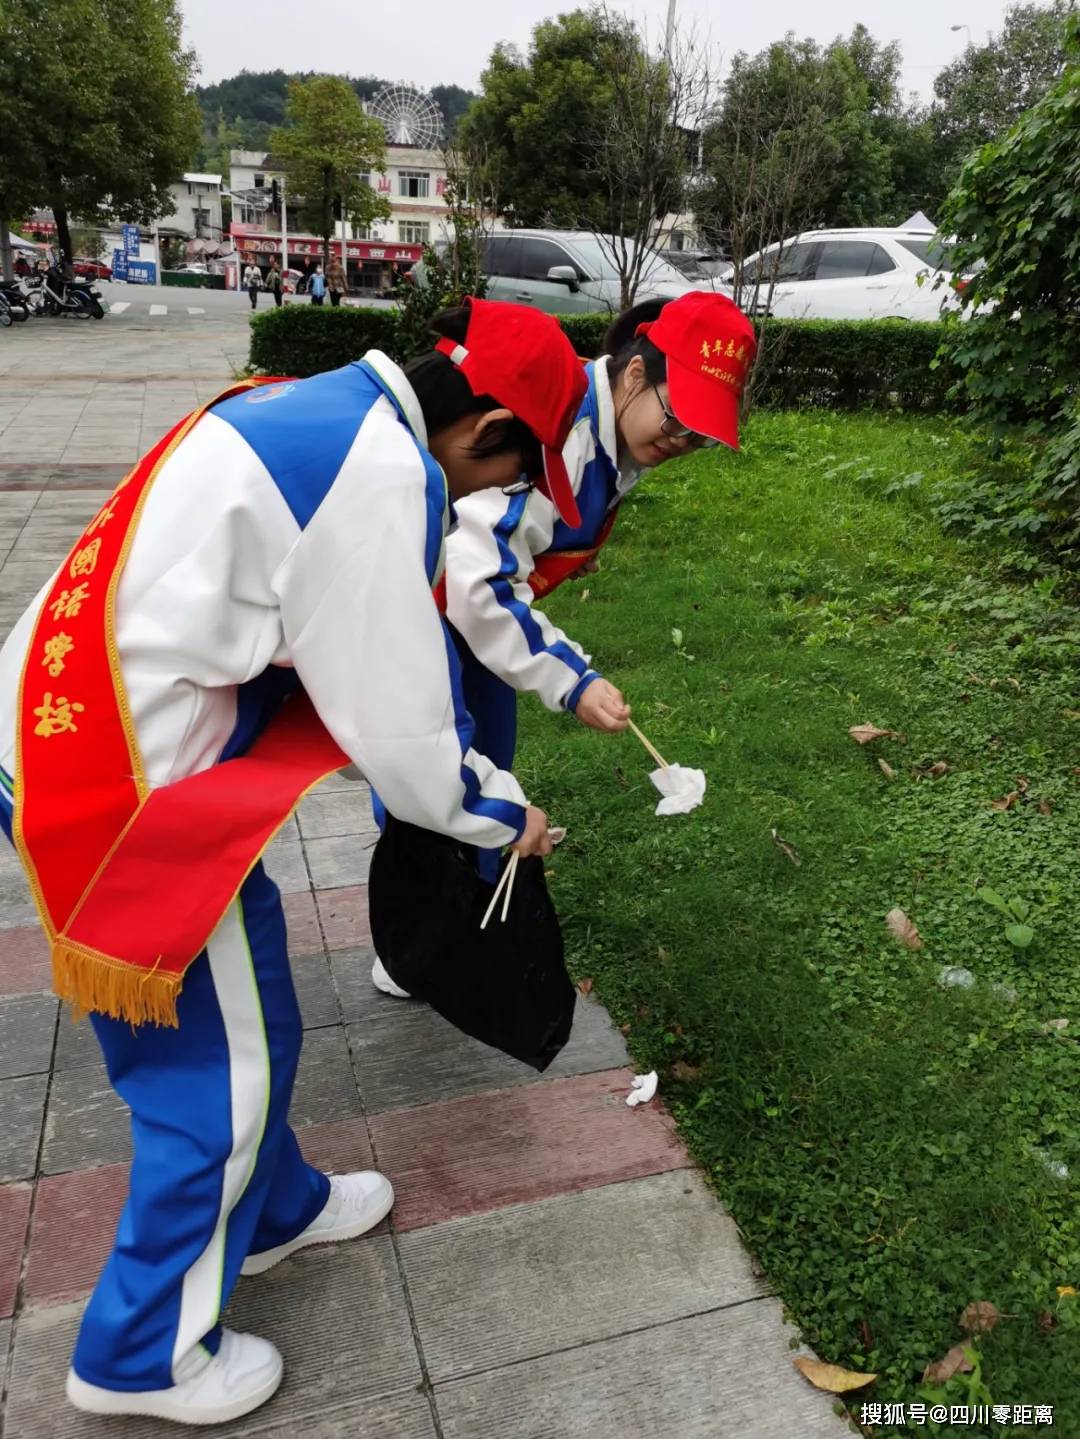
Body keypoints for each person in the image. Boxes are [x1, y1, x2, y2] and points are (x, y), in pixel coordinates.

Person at [0, 296, 585, 1426]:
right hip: (119, 794)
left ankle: (273, 1208)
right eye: (499, 480)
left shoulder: (314, 401)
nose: (483, 505)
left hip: (81, 727)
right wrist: (500, 810)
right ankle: (137, 1353)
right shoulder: (377, 478)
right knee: (211, 1084)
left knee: (257, 999)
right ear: (481, 428)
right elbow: (406, 731)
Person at [370, 290, 756, 999]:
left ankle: (468, 920)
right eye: (679, 418)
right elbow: (476, 583)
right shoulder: (552, 427)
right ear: (635, 376)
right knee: (433, 774)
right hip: (418, 609)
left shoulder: (614, 436)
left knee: (488, 755)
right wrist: (572, 681)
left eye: (698, 435)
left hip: (468, 622)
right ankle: (411, 947)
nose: (680, 442)